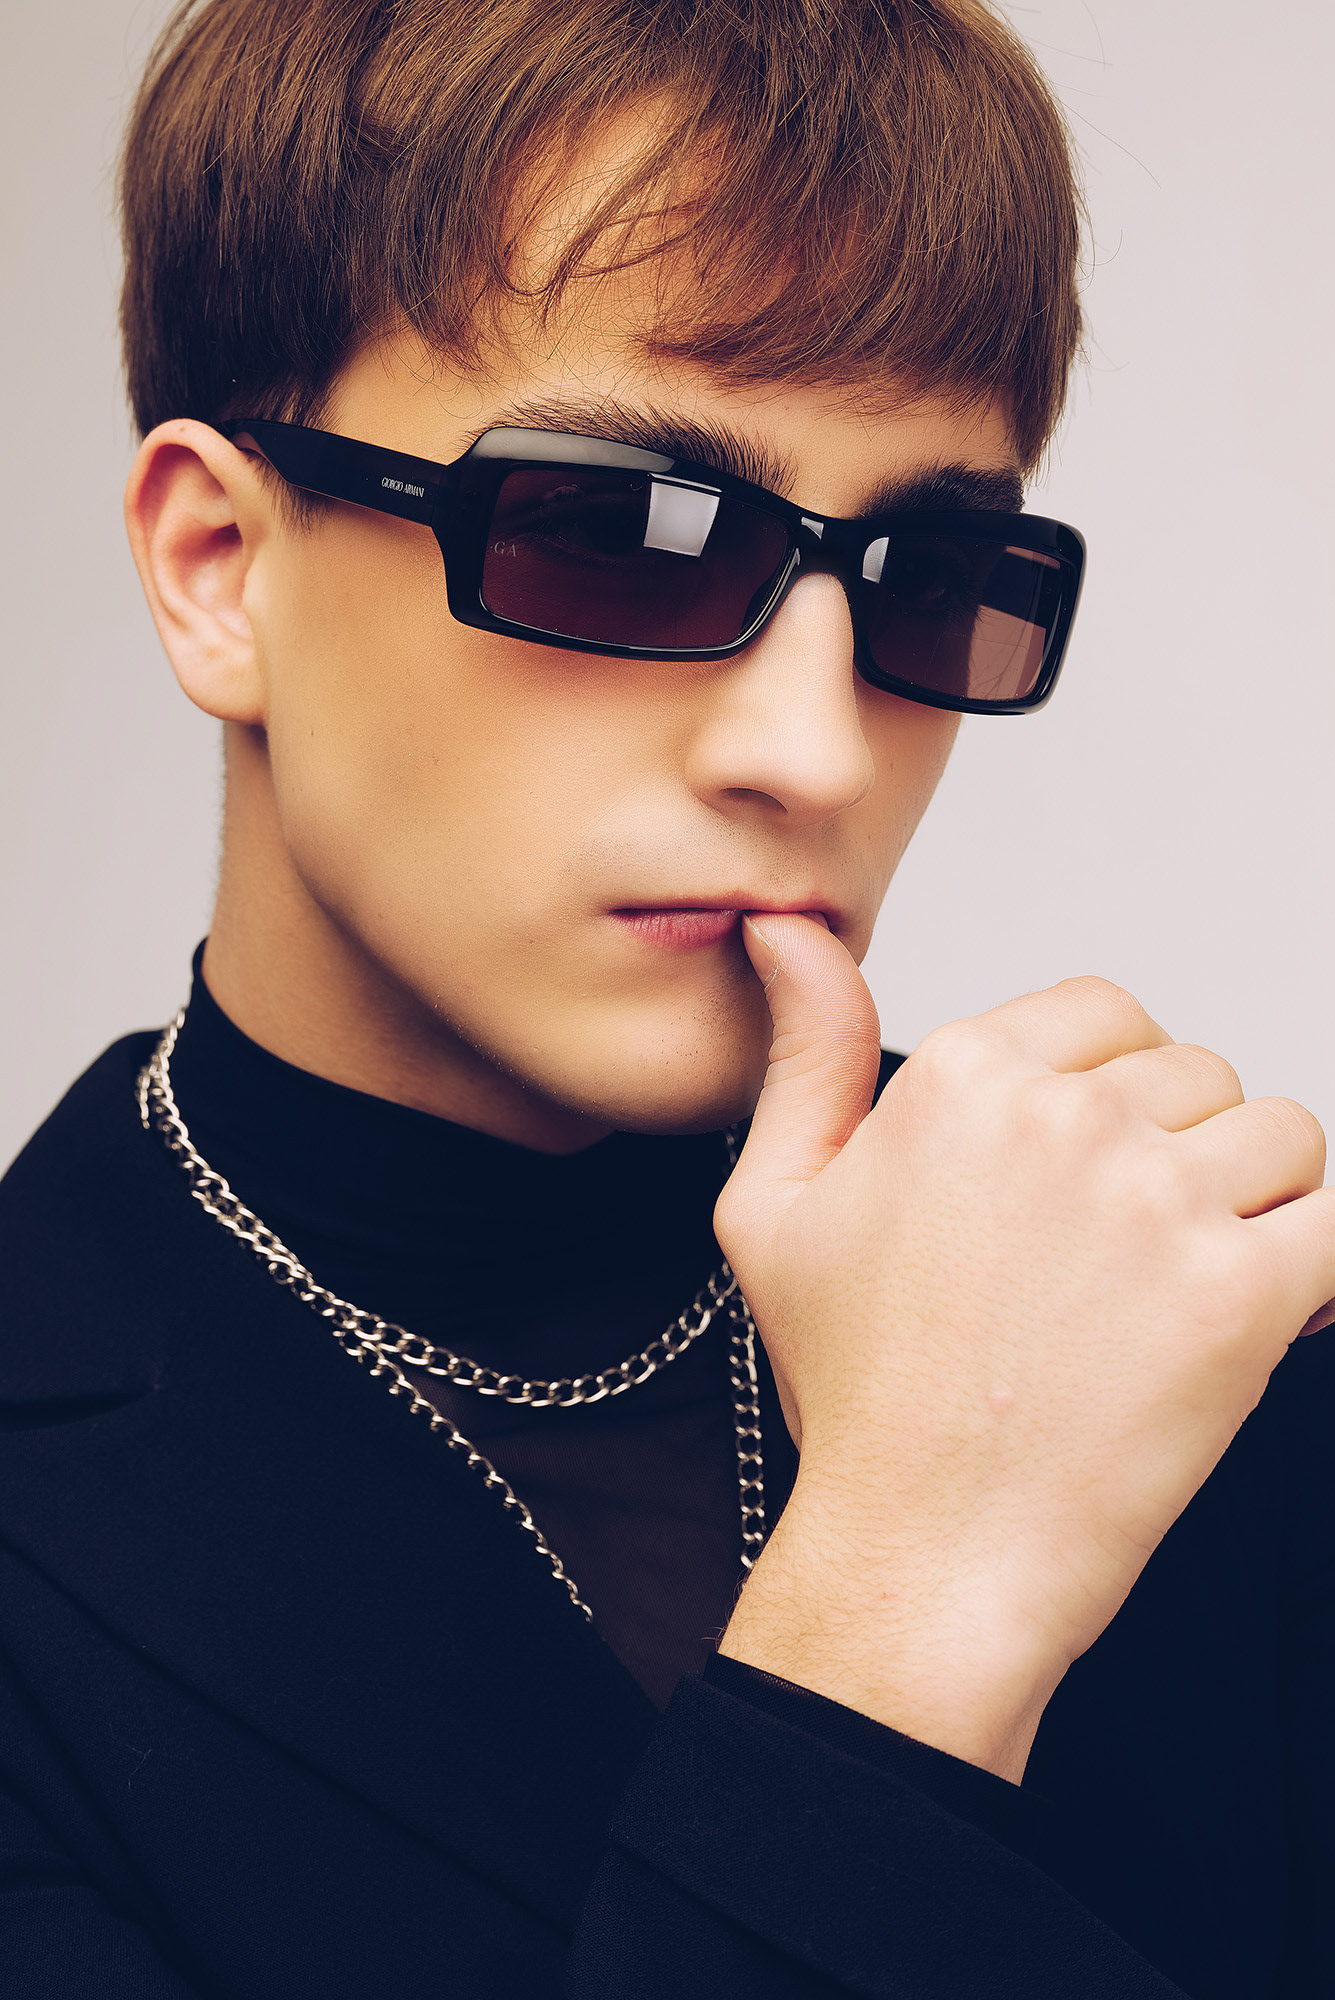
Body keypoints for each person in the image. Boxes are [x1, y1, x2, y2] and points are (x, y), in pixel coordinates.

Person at [0, 0, 1331, 1993]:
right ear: (218, 565)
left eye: (927, 570)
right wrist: (903, 1615)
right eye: (624, 535)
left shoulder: (1180, 1321)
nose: (813, 747)